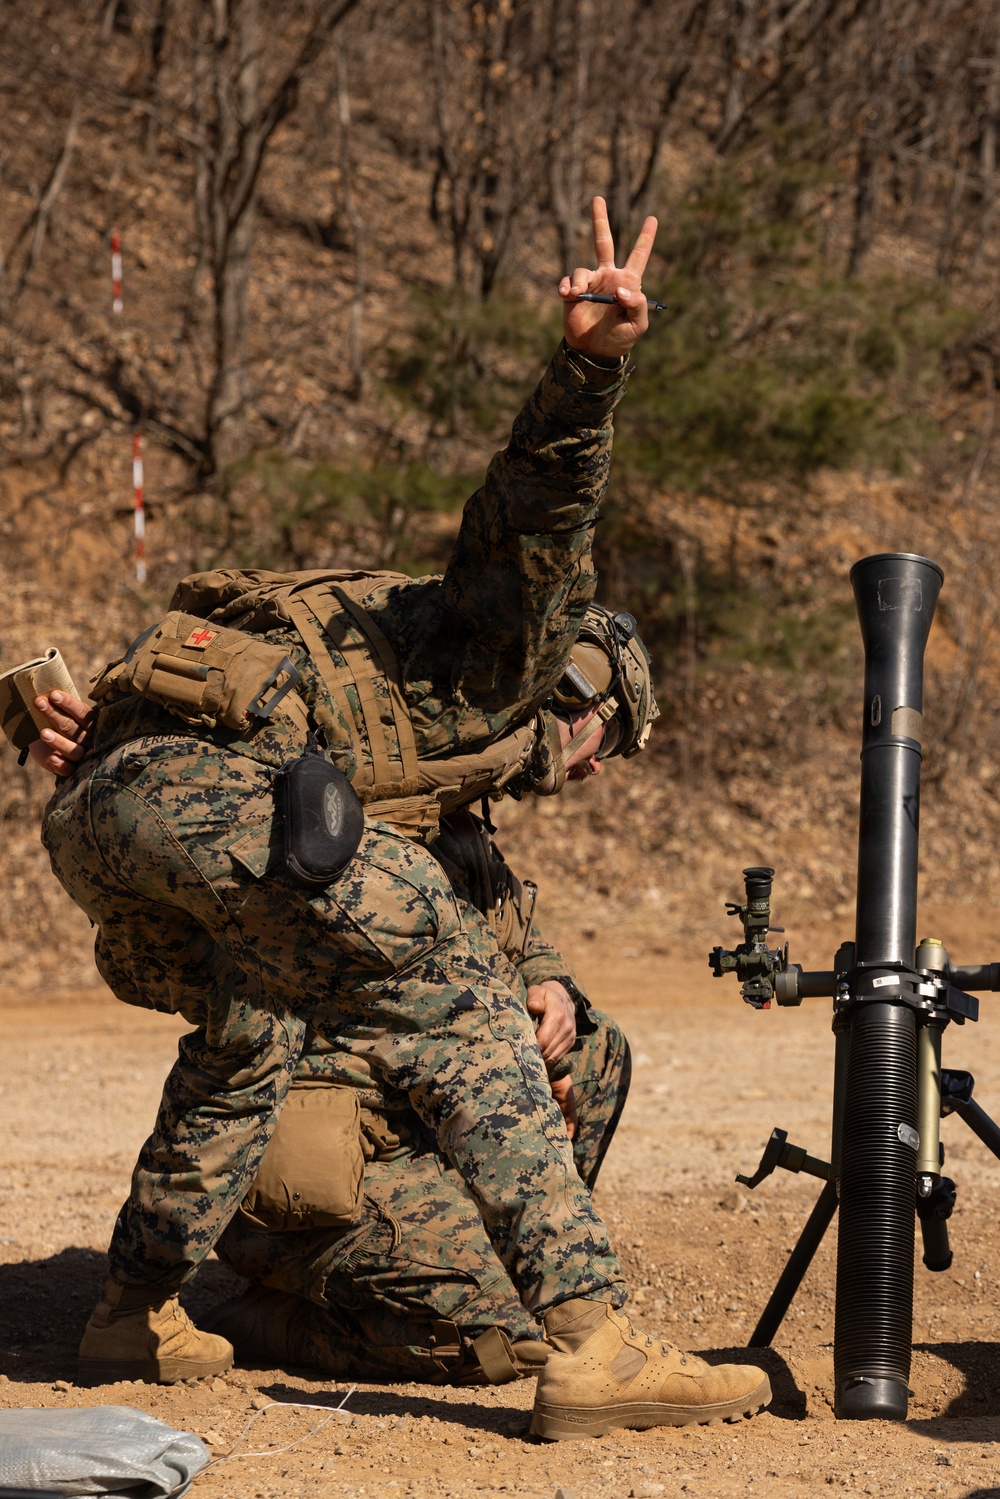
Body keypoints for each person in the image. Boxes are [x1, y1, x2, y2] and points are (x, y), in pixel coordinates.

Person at [33, 199, 772, 1438]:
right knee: (445, 980)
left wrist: (542, 975)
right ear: (577, 693)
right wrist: (589, 370)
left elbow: (449, 878)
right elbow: (535, 517)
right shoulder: (493, 652)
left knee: (250, 1018)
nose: (590, 767)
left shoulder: (396, 720)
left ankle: (131, 1311)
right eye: (604, 738)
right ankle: (593, 1343)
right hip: (203, 802)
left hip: (113, 813)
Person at [206, 806, 631, 1387]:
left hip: (417, 1126)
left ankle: (510, 1254)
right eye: (598, 750)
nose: (597, 770)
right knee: (505, 1340)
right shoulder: (334, 825)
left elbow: (514, 935)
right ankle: (287, 1321)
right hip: (332, 1166)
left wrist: (552, 985)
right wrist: (526, 1039)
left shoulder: (444, 822)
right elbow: (447, 986)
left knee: (594, 1044)